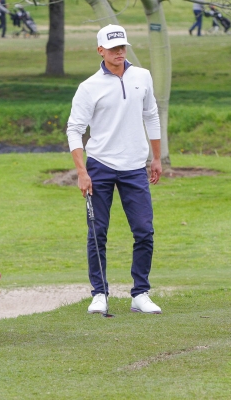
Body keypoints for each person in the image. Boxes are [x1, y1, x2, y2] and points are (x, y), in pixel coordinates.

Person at [66, 24, 163, 316]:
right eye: (113, 48)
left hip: (135, 166)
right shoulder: (89, 87)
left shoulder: (142, 76)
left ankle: (140, 293)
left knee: (144, 231)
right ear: (100, 50)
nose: (119, 52)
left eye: (122, 47)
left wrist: (156, 158)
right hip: (100, 165)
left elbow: (151, 115)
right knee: (97, 232)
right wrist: (82, 172)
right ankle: (99, 294)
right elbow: (74, 130)